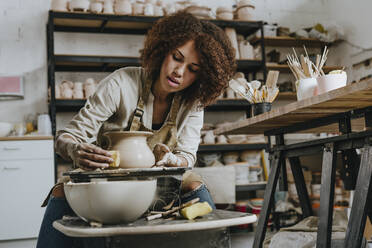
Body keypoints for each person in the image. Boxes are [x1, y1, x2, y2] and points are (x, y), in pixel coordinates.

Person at [36, 11, 236, 248]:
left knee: (195, 186)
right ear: (163, 49)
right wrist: (75, 149)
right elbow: (66, 137)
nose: (179, 72)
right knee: (61, 190)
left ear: (202, 76)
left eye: (192, 69)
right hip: (108, 180)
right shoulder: (121, 83)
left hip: (161, 182)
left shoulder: (193, 102)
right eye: (176, 57)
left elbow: (188, 155)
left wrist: (172, 159)